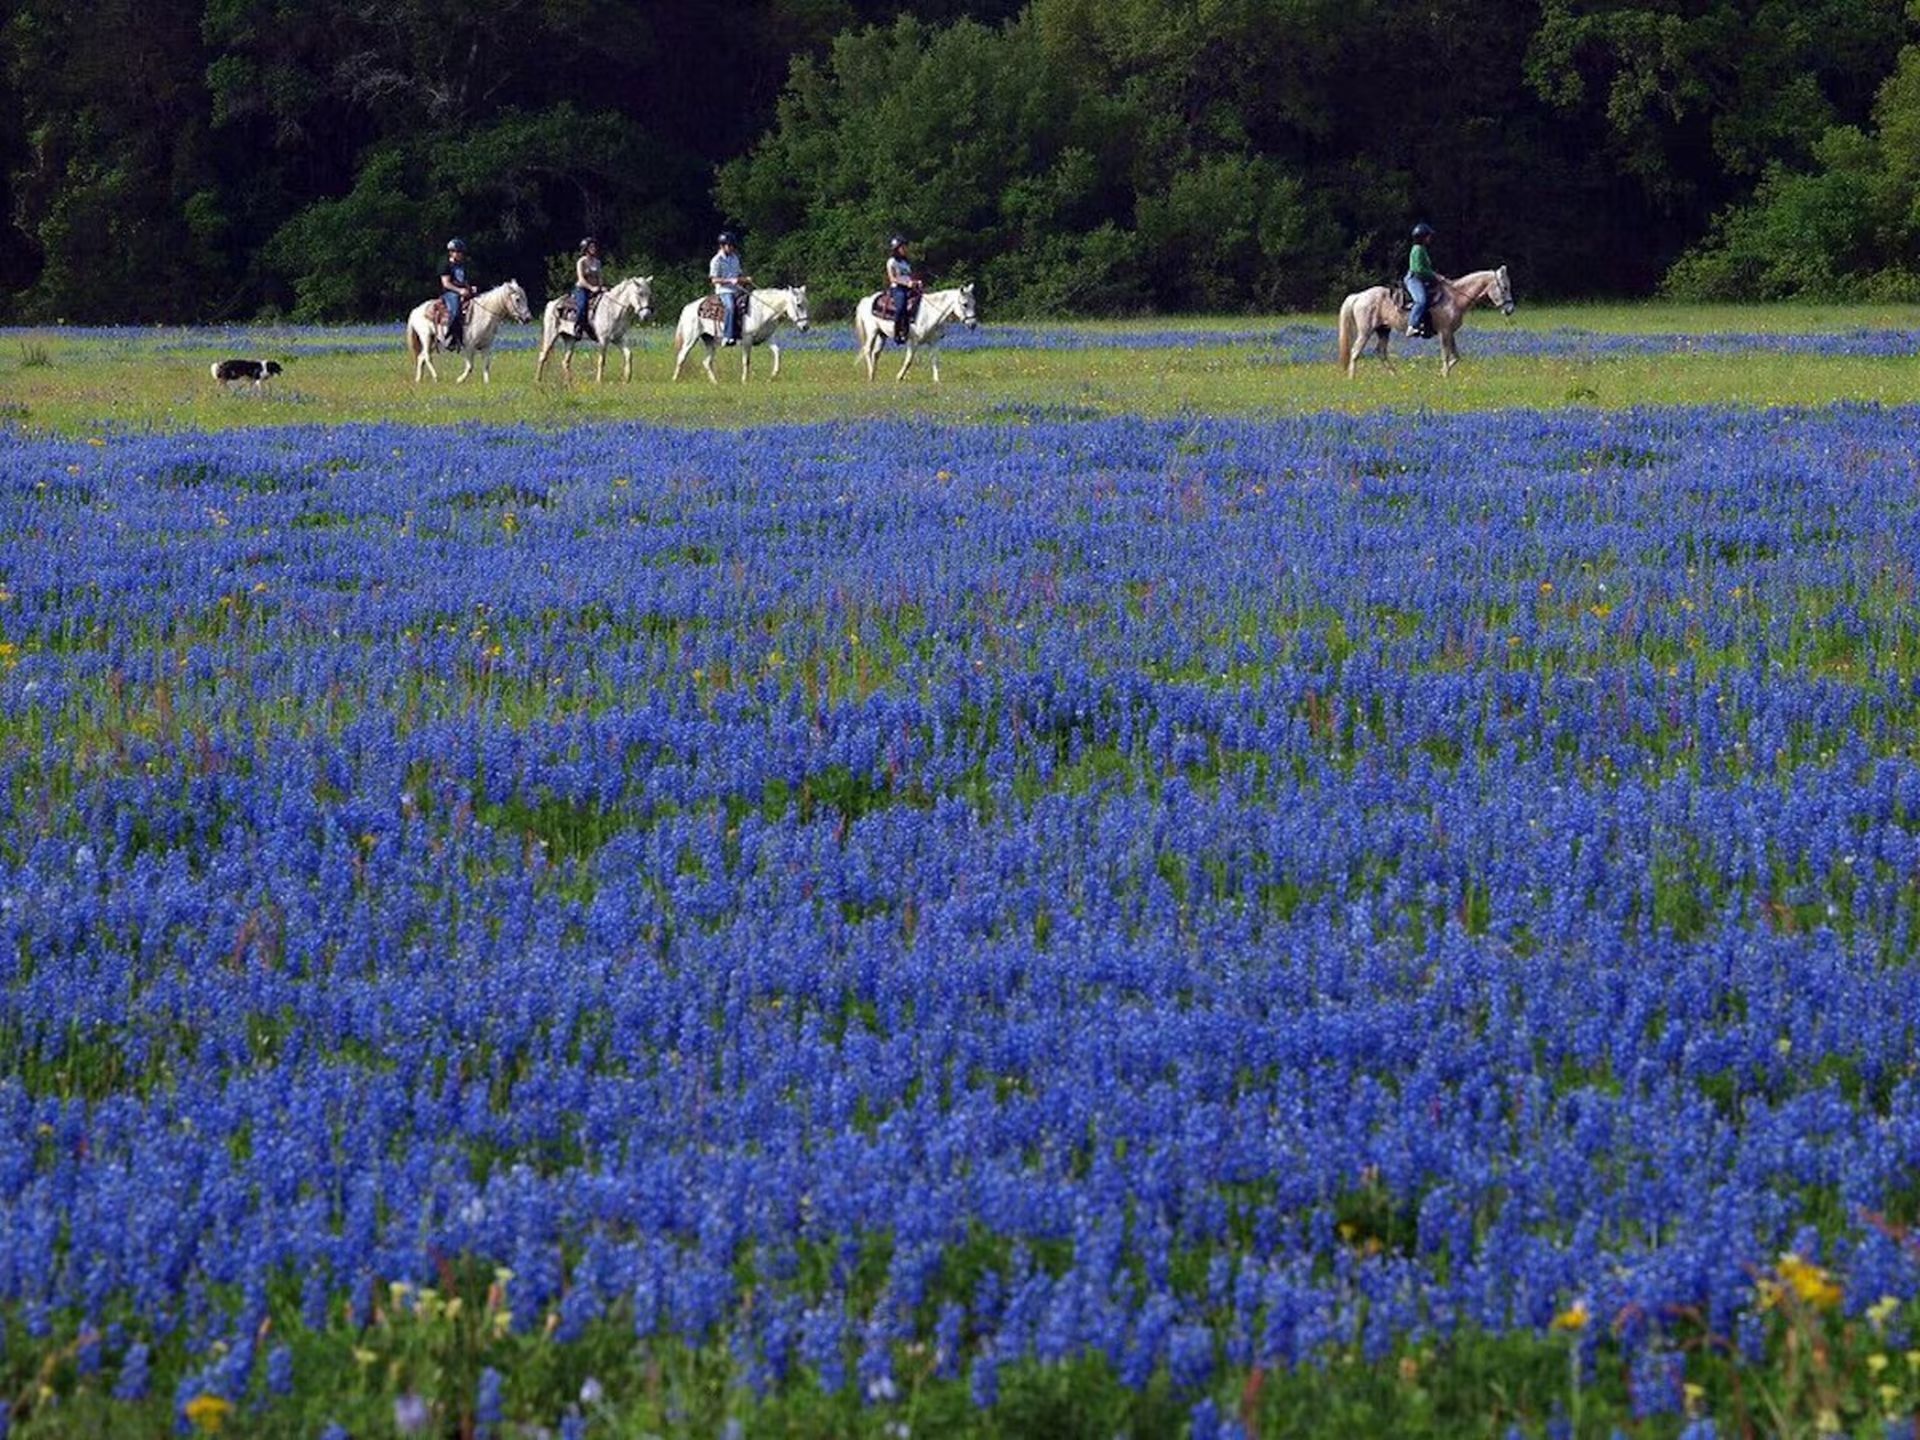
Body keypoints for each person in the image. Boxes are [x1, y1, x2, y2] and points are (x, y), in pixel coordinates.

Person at [709, 231, 751, 345]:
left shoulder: (735, 258)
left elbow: (738, 274)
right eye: (729, 245)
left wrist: (745, 279)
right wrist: (729, 280)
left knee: (750, 304)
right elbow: (714, 280)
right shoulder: (716, 260)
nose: (732, 248)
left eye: (733, 245)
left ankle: (744, 332)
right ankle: (727, 336)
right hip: (724, 290)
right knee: (731, 307)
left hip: (737, 289)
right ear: (722, 246)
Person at [440, 238, 478, 350]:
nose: (461, 254)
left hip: (464, 292)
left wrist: (470, 288)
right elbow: (446, 283)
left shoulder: (462, 265)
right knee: (456, 311)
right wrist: (459, 291)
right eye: (458, 252)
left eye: (461, 252)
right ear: (452, 252)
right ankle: (450, 339)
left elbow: (463, 281)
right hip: (450, 293)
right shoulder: (445, 264)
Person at [1405, 222, 1438, 339]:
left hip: (1423, 279)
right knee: (1421, 301)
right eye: (1428, 236)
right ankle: (1412, 326)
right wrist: (1434, 276)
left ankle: (1426, 326)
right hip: (1414, 279)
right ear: (1422, 237)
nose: (1430, 238)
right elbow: (1418, 269)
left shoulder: (1422, 249)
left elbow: (1426, 268)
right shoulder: (1417, 249)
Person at [885, 235, 919, 346]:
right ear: (896, 249)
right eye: (903, 247)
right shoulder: (892, 262)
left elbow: (910, 276)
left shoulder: (906, 263)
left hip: (909, 287)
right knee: (901, 306)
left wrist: (916, 282)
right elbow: (892, 278)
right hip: (898, 288)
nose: (905, 249)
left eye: (905, 247)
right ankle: (897, 332)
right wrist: (906, 283)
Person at [570, 237, 605, 339]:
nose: (594, 248)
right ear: (585, 249)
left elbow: (600, 277)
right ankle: (578, 328)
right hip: (582, 289)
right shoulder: (581, 262)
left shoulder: (597, 262)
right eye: (591, 247)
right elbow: (581, 279)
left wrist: (601, 287)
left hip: (596, 289)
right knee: (582, 306)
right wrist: (591, 288)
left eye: (594, 246)